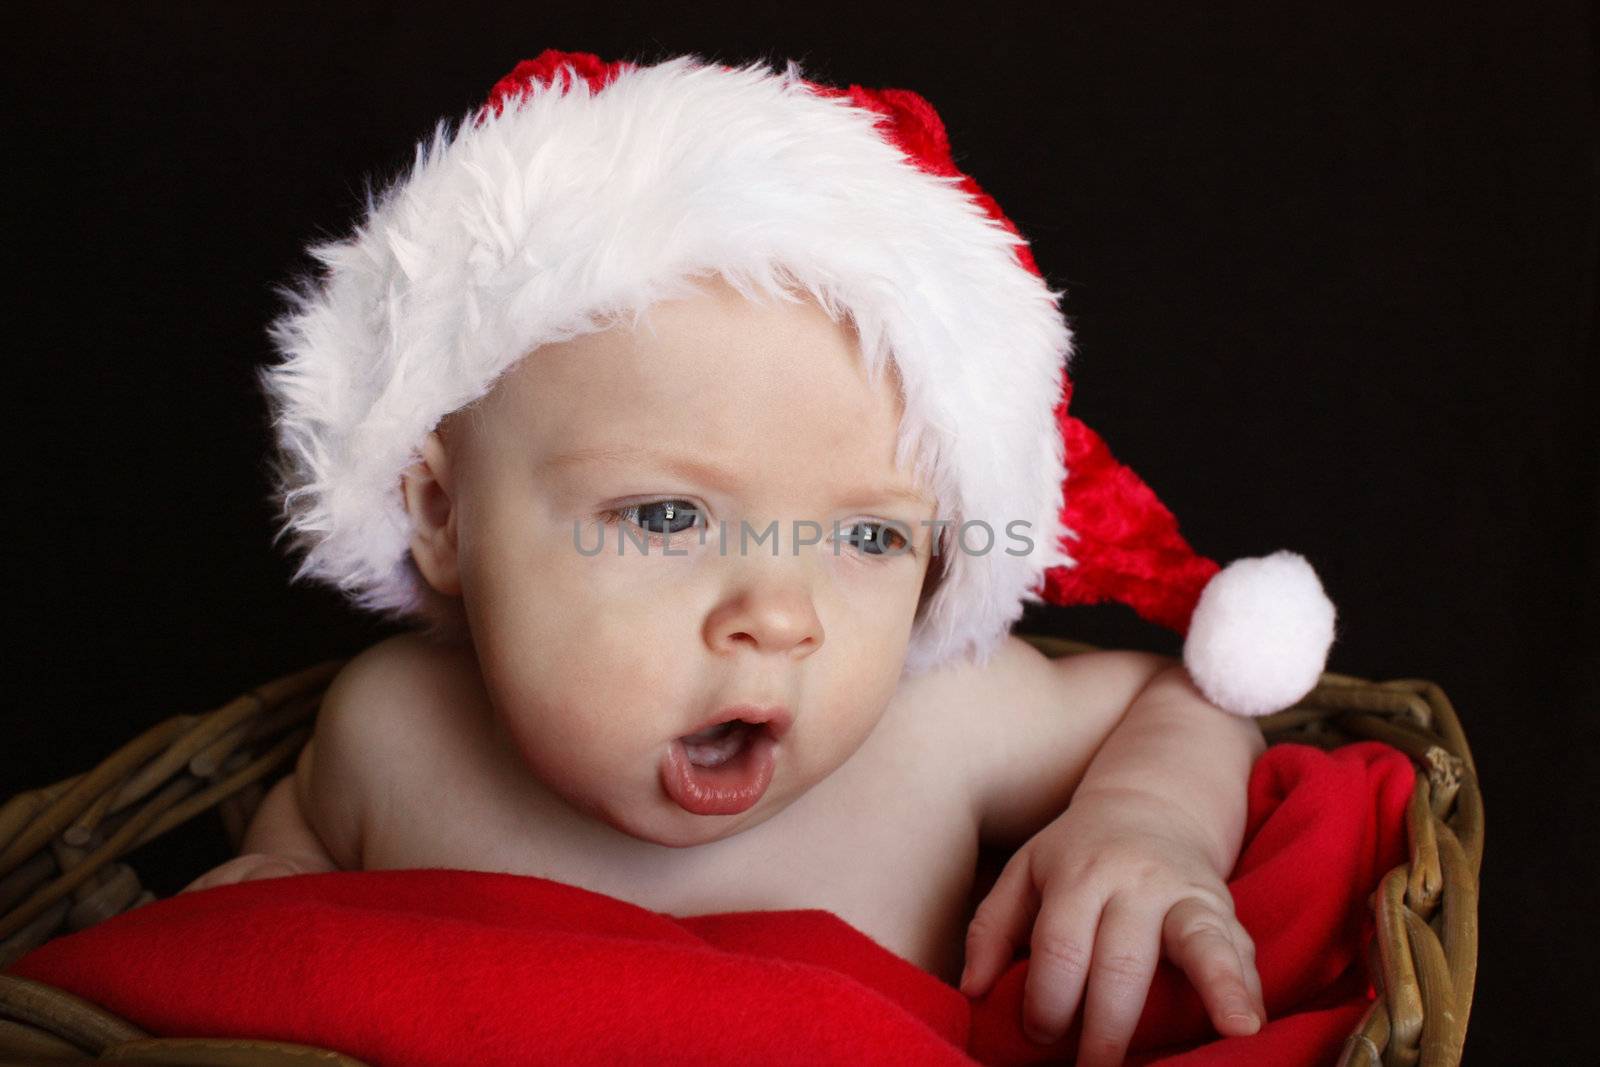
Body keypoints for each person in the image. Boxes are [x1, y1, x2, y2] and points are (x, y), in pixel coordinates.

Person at [186, 50, 1337, 1066]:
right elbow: (278, 893)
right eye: (669, 517)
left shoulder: (937, 724)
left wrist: (1146, 820)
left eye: (868, 534)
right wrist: (258, 894)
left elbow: (1187, 698)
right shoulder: (387, 731)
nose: (778, 613)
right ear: (440, 516)